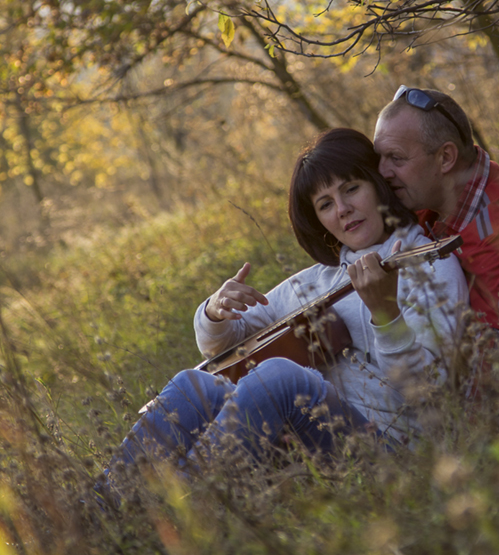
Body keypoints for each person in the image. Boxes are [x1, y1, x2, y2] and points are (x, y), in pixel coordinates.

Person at [101, 128, 468, 488]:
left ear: (378, 185)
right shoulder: (316, 281)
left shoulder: (430, 266)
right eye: (325, 204)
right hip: (314, 443)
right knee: (194, 384)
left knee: (279, 376)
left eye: (351, 188)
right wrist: (215, 312)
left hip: (397, 454)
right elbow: (222, 347)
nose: (343, 210)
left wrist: (387, 316)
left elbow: (428, 392)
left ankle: (186, 510)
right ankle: (101, 508)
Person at [373, 87, 499, 353]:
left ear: (445, 157)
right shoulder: (426, 198)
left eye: (396, 158)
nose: (382, 172)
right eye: (379, 158)